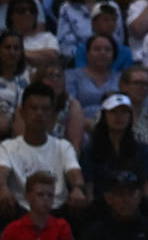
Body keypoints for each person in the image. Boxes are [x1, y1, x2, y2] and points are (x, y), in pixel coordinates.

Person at [0, 84, 87, 223]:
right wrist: (2, 187)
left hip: (57, 211)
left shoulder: (63, 146)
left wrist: (77, 188)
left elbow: (74, 171)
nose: (39, 113)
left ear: (53, 115)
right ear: (22, 113)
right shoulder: (8, 147)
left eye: (45, 109)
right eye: (33, 108)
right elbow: (2, 172)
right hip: (20, 211)